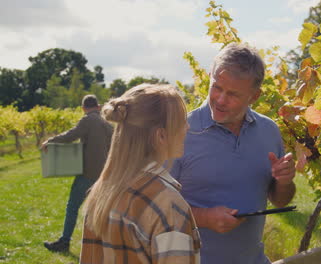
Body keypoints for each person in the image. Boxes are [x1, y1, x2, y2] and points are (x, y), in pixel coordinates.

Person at [171, 43, 296, 264]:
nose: (220, 99)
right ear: (210, 77)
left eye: (233, 94)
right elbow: (154, 207)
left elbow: (279, 200)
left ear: (254, 96)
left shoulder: (269, 132)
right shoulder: (179, 132)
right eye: (216, 87)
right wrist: (205, 218)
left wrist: (284, 182)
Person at [80, 84, 200, 263]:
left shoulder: (101, 193)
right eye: (182, 121)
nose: (187, 128)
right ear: (161, 136)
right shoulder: (168, 206)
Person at [42, 94, 114, 252]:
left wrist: (50, 141)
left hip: (88, 173)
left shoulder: (88, 120)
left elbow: (71, 136)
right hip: (104, 174)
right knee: (99, 210)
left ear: (83, 108)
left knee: (73, 206)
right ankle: (103, 244)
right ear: (99, 106)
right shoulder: (106, 123)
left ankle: (64, 242)